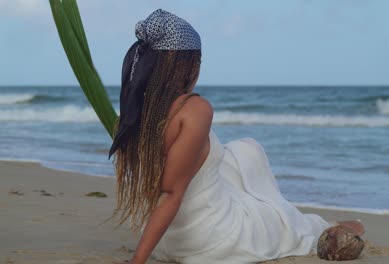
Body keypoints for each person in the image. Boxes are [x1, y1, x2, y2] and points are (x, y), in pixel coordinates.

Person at [108, 9, 364, 264]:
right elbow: (171, 193)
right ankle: (318, 225)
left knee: (242, 151)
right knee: (283, 221)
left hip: (166, 242)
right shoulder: (194, 109)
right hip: (211, 239)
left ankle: (312, 221)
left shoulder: (135, 114)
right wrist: (137, 262)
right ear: (184, 65)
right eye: (197, 62)